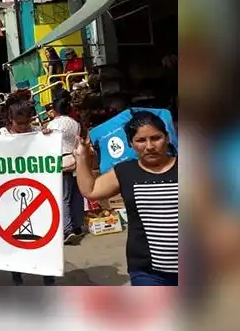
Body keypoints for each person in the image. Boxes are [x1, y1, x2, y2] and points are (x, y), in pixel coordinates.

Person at [73, 111, 178, 286]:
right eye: (141, 140)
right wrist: (81, 157)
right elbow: (90, 190)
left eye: (156, 138)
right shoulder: (125, 172)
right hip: (147, 272)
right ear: (130, 143)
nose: (150, 146)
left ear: (167, 138)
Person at [0, 97, 57, 286]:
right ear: (10, 119)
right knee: (14, 238)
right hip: (10, 195)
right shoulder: (1, 135)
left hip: (37, 193)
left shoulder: (37, 132)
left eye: (27, 122)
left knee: (43, 233)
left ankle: (47, 274)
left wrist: (47, 136)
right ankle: (17, 273)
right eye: (19, 124)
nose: (23, 127)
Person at [44, 95, 85, 245]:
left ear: (55, 110)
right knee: (76, 195)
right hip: (74, 159)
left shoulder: (53, 125)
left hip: (61, 160)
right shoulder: (75, 123)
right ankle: (77, 225)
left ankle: (67, 230)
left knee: (64, 197)